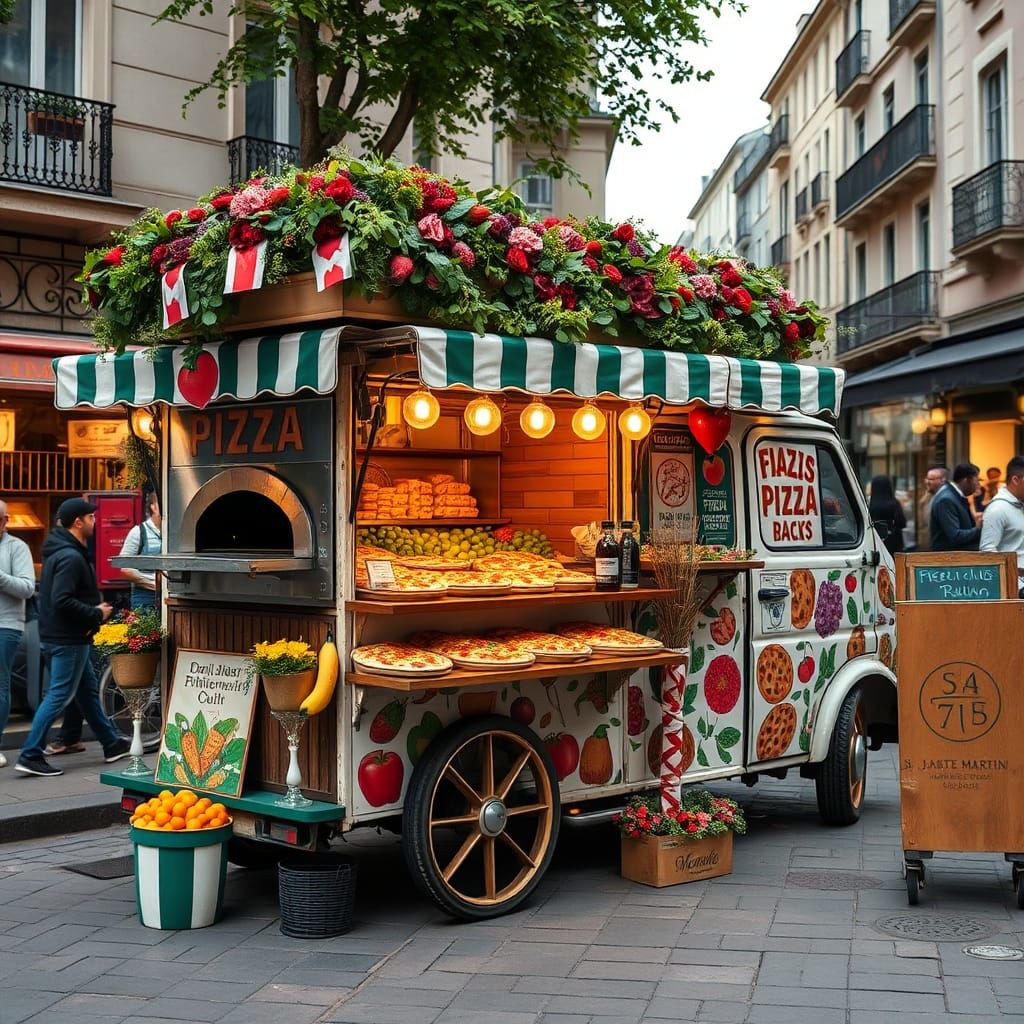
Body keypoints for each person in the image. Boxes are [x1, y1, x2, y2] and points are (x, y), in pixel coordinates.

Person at [15, 498, 129, 777]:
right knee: (59, 694)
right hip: (69, 639)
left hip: (63, 636)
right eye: (91, 517)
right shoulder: (70, 556)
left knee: (87, 692)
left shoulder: (61, 551)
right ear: (78, 522)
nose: (95, 521)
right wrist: (95, 612)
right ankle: (30, 753)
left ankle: (111, 743)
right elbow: (61, 599)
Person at [0, 500, 36, 769]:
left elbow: (26, 588)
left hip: (6, 625)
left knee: (0, 684)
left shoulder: (17, 547)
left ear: (5, 520)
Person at [980, 456, 1024, 596]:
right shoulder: (997, 509)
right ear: (1015, 480)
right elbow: (987, 551)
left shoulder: (1019, 504)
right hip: (1015, 588)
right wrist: (1017, 583)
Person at [118, 490, 161, 609]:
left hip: (171, 595)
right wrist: (152, 584)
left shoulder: (174, 533)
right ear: (154, 507)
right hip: (144, 597)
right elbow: (125, 568)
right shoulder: (138, 532)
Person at [929, 462, 982, 552]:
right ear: (967, 480)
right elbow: (955, 536)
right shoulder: (946, 500)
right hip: (948, 561)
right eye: (976, 480)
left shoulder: (956, 496)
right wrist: (978, 529)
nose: (978, 485)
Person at [868, 475, 906, 555]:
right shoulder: (894, 503)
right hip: (894, 543)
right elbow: (902, 523)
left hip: (875, 542)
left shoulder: (868, 504)